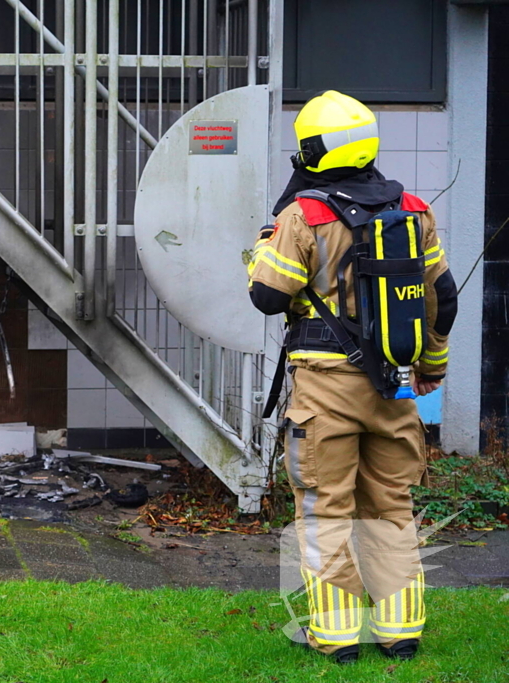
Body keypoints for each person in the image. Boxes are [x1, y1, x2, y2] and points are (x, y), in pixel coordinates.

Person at [246, 90, 458, 664]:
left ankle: (337, 636)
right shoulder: (412, 208)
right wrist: (431, 363)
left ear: (312, 149)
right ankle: (400, 631)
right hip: (393, 386)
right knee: (392, 504)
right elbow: (442, 294)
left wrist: (265, 244)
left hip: (325, 389)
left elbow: (267, 296)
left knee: (325, 509)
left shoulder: (304, 214)